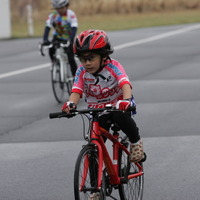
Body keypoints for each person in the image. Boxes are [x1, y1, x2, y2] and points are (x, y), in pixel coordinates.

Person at [62, 29, 144, 200]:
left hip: (118, 105)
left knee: (119, 116)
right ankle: (96, 190)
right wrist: (70, 104)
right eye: (83, 59)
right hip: (97, 110)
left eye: (90, 58)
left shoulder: (113, 66)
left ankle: (136, 142)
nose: (86, 63)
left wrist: (126, 101)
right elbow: (76, 91)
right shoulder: (81, 72)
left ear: (103, 55)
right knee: (93, 146)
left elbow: (125, 84)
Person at [42, 0, 78, 76]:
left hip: (68, 37)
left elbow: (74, 27)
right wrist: (45, 39)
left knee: (71, 57)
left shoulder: (71, 14)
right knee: (51, 48)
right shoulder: (53, 15)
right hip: (57, 37)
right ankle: (54, 63)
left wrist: (71, 39)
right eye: (57, 8)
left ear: (66, 6)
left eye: (61, 8)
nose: (59, 10)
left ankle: (76, 77)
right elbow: (47, 27)